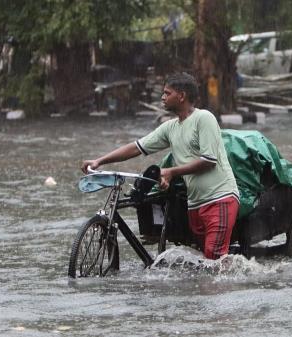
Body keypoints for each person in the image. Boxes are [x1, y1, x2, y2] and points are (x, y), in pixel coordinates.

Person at [81, 72, 239, 260]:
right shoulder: (170, 127)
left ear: (181, 96)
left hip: (219, 197)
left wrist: (171, 171)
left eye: (167, 93)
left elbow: (209, 160)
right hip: (195, 203)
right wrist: (100, 161)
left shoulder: (203, 118)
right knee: (204, 260)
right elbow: (136, 147)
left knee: (214, 258)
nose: (162, 97)